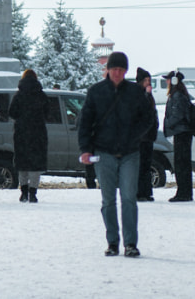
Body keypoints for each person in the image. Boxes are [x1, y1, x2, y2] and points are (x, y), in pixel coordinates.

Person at [78, 50, 157, 258]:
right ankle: (112, 242)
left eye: (121, 70)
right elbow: (84, 122)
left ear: (126, 71)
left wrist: (136, 136)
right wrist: (85, 149)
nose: (117, 73)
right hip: (104, 153)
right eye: (114, 69)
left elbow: (148, 118)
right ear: (108, 70)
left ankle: (130, 243)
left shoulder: (135, 92)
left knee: (129, 198)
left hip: (130, 152)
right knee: (108, 200)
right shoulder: (96, 92)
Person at [8, 68, 49, 203]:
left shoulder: (18, 95)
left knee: (23, 162)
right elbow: (48, 113)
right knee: (35, 163)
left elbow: (12, 112)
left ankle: (23, 192)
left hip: (21, 133)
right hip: (38, 133)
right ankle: (33, 192)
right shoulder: (41, 95)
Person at [163, 70, 195, 202]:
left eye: (168, 79)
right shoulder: (180, 94)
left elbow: (177, 115)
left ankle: (183, 193)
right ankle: (184, 192)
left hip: (181, 133)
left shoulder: (177, 96)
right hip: (183, 133)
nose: (166, 82)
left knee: (181, 163)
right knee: (183, 163)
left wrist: (168, 124)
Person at [135, 67, 157, 202]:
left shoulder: (148, 95)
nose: (148, 83)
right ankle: (140, 192)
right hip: (141, 137)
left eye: (149, 80)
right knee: (141, 165)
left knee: (146, 165)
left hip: (148, 136)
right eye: (146, 80)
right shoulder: (140, 95)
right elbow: (144, 112)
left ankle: (146, 191)